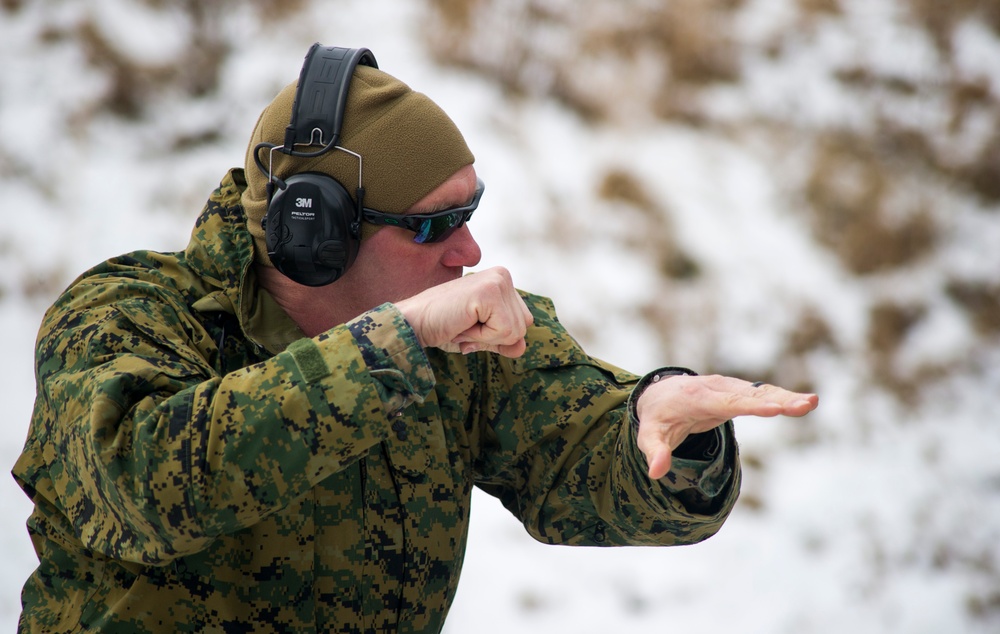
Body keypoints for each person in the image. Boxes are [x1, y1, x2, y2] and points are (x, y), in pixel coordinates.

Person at [12, 44, 818, 633]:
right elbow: (145, 485)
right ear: (313, 232)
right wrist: (385, 349)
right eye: (433, 224)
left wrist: (663, 429)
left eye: (469, 214)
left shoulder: (454, 331)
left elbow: (578, 447)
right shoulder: (127, 313)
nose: (468, 252)